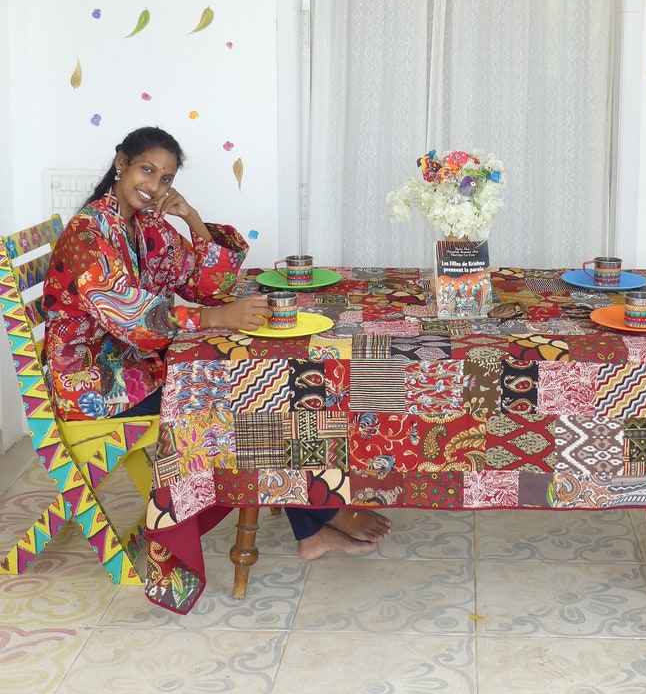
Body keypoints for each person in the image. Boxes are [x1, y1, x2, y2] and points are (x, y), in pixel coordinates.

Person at [43, 125, 390, 558]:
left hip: (136, 364)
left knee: (265, 384)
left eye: (166, 178)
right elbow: (131, 316)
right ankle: (315, 517)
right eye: (146, 170)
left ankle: (313, 517)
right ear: (121, 162)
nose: (154, 186)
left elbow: (205, 281)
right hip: (95, 382)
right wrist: (216, 318)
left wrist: (189, 217)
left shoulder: (142, 226)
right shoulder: (88, 233)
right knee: (256, 394)